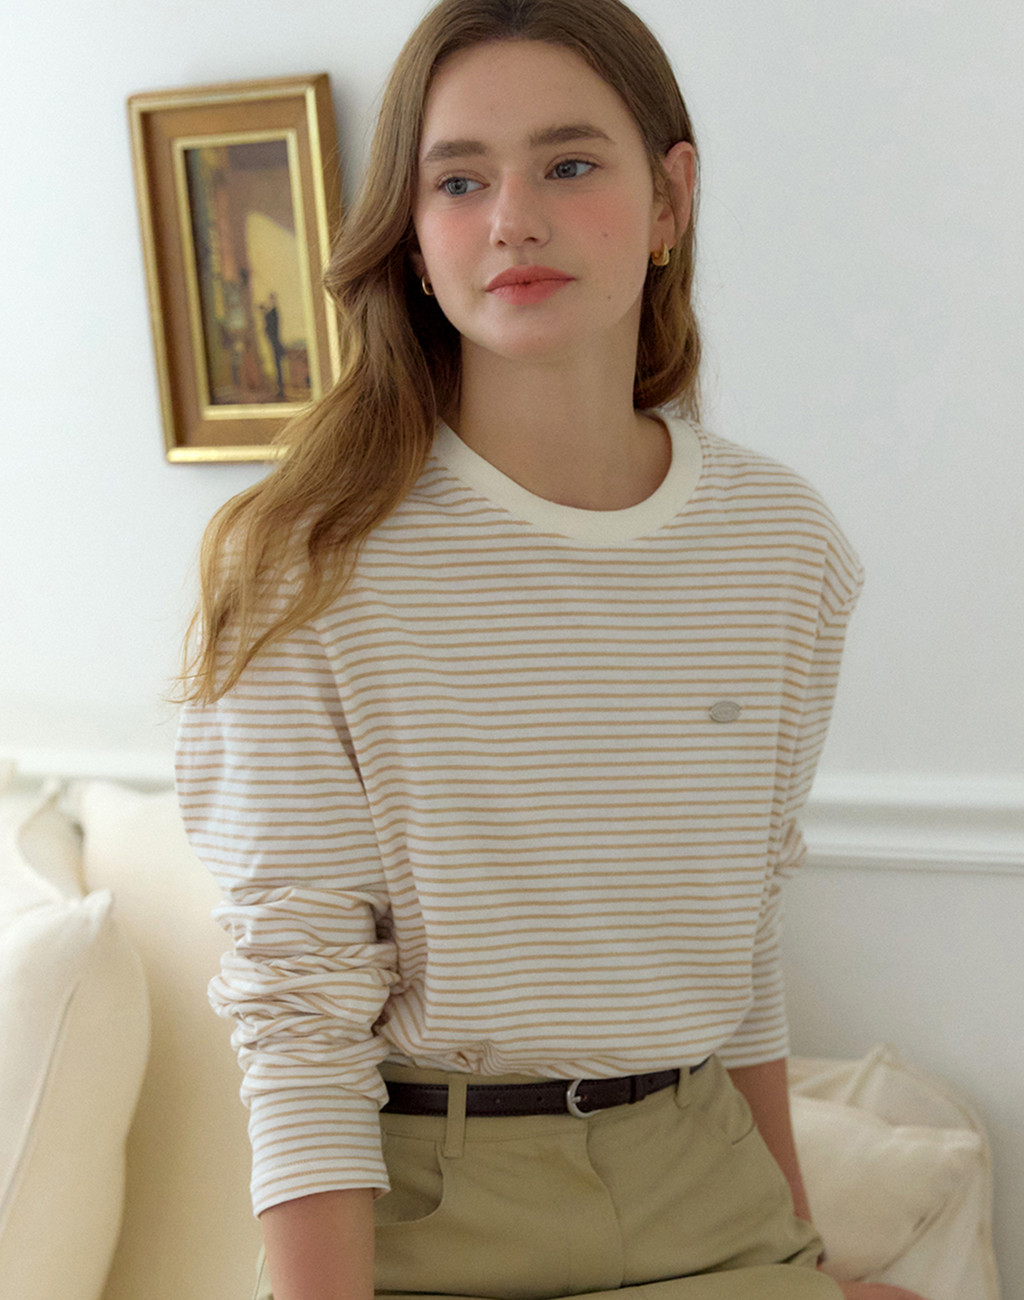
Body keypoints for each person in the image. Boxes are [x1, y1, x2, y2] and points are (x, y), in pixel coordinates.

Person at [174, 3, 930, 1299]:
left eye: (569, 164)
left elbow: (743, 940)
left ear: (671, 197)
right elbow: (298, 1018)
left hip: (711, 1191)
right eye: (460, 181)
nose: (512, 219)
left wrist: (801, 1261)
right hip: (429, 1222)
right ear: (413, 240)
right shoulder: (305, 561)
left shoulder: (783, 543)